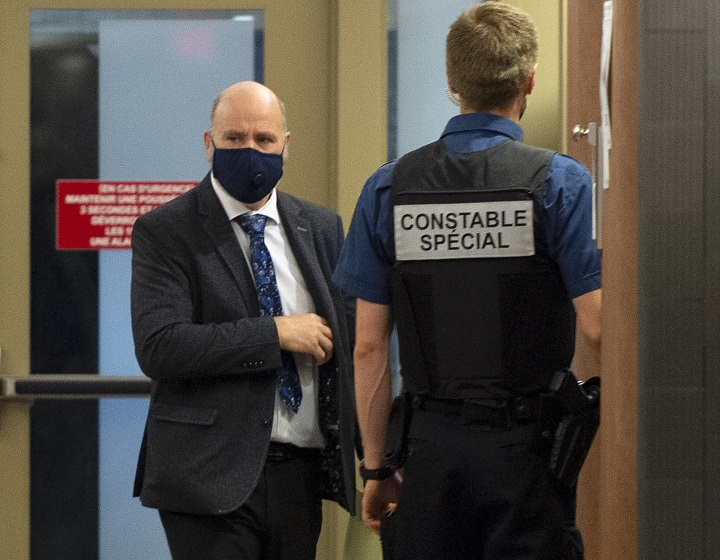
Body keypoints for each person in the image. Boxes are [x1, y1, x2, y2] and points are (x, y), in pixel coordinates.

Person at [332, 2, 602, 560]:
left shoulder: (388, 189)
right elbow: (599, 324)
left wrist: (377, 467)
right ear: (530, 80)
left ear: (452, 82)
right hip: (526, 458)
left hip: (430, 457)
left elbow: (367, 347)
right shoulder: (560, 183)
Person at [131, 80, 357, 560]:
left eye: (264, 139)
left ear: (286, 146)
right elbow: (161, 346)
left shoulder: (320, 227)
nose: (250, 150)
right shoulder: (166, 231)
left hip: (300, 471)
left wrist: (375, 459)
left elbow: (354, 343)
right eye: (234, 138)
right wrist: (275, 332)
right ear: (209, 143)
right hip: (207, 476)